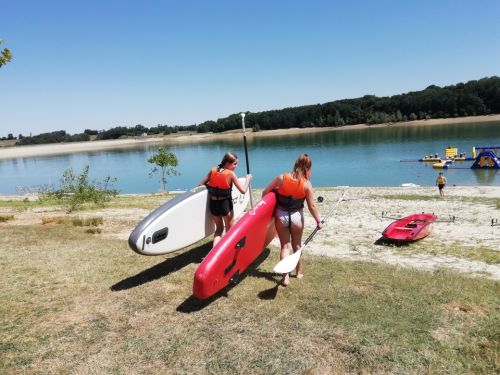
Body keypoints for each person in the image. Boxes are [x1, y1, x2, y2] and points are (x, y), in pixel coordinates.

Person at [262, 154, 322, 286]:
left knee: (284, 246)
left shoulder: (281, 178)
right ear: (308, 168)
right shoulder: (306, 184)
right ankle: (298, 273)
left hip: (281, 215)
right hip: (296, 217)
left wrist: (267, 214)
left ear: (295, 164)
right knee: (297, 246)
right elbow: (311, 206)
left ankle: (285, 277)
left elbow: (265, 192)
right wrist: (318, 220)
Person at [200, 152, 252, 246]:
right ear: (227, 163)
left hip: (213, 204)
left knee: (219, 229)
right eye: (235, 164)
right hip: (225, 205)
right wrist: (248, 179)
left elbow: (201, 184)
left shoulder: (213, 170)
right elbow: (243, 190)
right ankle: (227, 250)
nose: (236, 166)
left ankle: (214, 251)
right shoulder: (231, 174)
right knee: (229, 229)